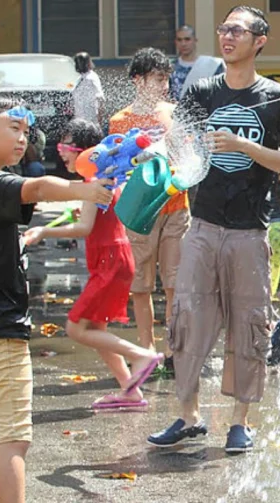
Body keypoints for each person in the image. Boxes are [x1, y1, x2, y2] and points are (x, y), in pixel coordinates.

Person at [147, 6, 280, 453]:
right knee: (187, 318)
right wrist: (149, 152)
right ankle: (188, 416)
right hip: (203, 224)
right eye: (224, 29)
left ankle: (240, 421)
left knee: (249, 325)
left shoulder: (277, 98)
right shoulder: (202, 91)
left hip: (250, 231)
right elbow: (175, 143)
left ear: (260, 40)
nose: (227, 36)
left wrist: (242, 145)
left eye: (237, 30)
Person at [0, 97, 112, 503]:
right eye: (13, 128)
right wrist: (85, 188)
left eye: (27, 131)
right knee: (13, 437)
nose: (23, 139)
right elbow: (37, 188)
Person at [24, 118, 163, 407]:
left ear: (85, 151)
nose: (61, 152)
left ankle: (141, 355)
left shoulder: (94, 181)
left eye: (66, 146)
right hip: (114, 258)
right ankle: (129, 390)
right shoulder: (106, 176)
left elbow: (84, 228)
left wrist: (44, 231)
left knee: (76, 327)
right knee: (95, 329)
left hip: (110, 261)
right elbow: (99, 220)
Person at [109, 48, 190, 374]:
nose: (164, 86)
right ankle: (146, 349)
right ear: (138, 80)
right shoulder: (119, 121)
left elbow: (187, 154)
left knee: (175, 283)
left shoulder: (174, 113)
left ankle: (173, 348)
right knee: (140, 285)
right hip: (140, 213)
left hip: (176, 207)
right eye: (158, 79)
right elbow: (116, 166)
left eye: (166, 79)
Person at [169, 25, 226, 101]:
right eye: (179, 40)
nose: (183, 43)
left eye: (187, 39)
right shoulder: (170, 67)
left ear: (195, 40)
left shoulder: (212, 65)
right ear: (175, 42)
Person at [72, 52, 105, 125]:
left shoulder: (91, 78)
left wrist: (99, 119)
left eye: (81, 62)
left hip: (90, 121)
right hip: (79, 120)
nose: (78, 64)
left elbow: (100, 98)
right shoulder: (79, 79)